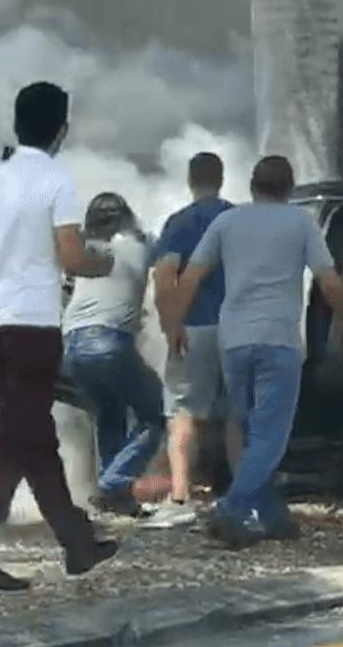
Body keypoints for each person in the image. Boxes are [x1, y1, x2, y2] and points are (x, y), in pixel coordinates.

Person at [0, 81, 118, 594]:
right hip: (34, 327)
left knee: (33, 439)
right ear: (61, 130)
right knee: (13, 446)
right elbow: (70, 256)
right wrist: (103, 262)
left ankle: (77, 543)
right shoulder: (55, 180)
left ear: (17, 124)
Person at [161, 155, 343, 549]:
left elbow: (190, 276)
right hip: (278, 341)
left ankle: (270, 515)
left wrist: (173, 325)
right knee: (270, 437)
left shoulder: (227, 222)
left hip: (234, 341)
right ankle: (230, 507)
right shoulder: (300, 223)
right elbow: (329, 280)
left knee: (249, 428)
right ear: (288, 188)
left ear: (252, 186)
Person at [143, 152, 241, 529]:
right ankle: (242, 495)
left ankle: (181, 497)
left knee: (182, 413)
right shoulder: (237, 219)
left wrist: (170, 324)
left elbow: (164, 275)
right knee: (234, 414)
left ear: (190, 180)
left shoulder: (181, 222)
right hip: (236, 329)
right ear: (221, 178)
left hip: (196, 327)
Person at [62, 192, 165, 517]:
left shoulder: (86, 253)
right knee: (154, 413)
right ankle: (111, 484)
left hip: (72, 343)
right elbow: (170, 248)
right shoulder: (138, 242)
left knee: (109, 414)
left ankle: (116, 502)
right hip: (109, 341)